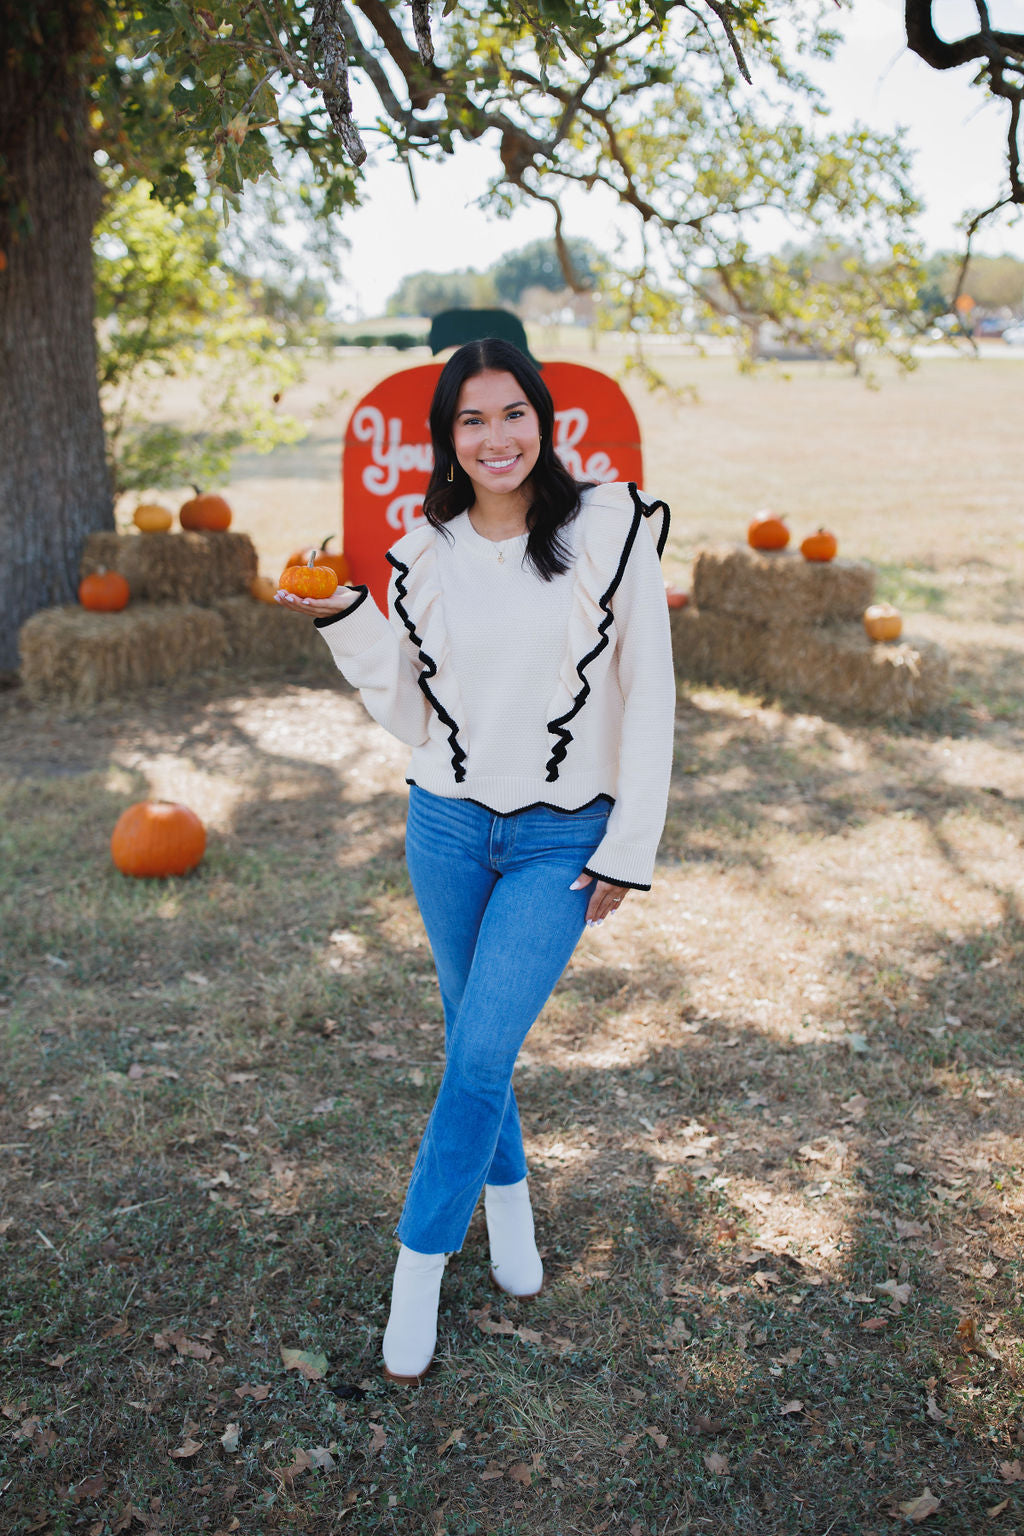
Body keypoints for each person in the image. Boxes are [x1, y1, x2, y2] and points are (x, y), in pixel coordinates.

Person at [276, 338, 676, 1384]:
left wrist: (629, 847)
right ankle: (508, 1211)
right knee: (473, 1048)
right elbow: (412, 713)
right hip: (446, 828)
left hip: (562, 838)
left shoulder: (609, 526)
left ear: (542, 422)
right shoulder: (424, 551)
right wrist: (344, 623)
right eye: (471, 420)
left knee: (481, 1051)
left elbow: (651, 695)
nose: (494, 437)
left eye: (512, 414)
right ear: (446, 438)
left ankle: (416, 1267)